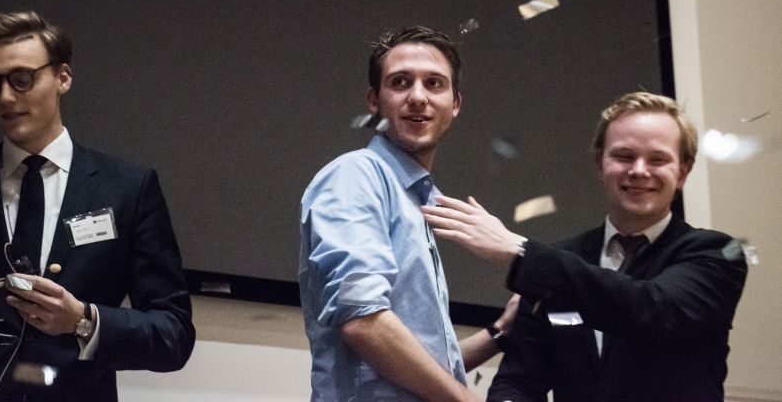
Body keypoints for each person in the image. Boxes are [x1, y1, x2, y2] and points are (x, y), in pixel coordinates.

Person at [0, 11, 195, 401]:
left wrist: (83, 321)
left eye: (22, 79)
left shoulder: (128, 189)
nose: (6, 97)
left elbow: (173, 335)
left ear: (63, 77)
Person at [422, 91, 748, 402]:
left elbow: (652, 309)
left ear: (683, 172)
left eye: (658, 159)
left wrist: (520, 251)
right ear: (599, 164)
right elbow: (520, 379)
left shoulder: (716, 253)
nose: (638, 170)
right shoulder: (564, 258)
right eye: (623, 156)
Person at [298, 25, 516, 402]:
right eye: (400, 82)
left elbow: (418, 370)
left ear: (456, 103)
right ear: (374, 100)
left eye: (434, 84)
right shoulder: (356, 176)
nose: (418, 97)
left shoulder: (415, 200)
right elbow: (365, 324)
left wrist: (500, 333)